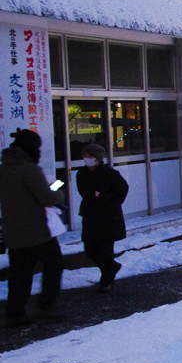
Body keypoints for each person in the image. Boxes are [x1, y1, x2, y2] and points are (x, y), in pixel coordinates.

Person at [0, 129, 66, 325]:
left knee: (20, 274)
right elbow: (47, 197)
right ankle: (46, 306)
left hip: (14, 232)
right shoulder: (29, 170)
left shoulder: (3, 169)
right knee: (54, 265)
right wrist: (58, 194)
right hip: (38, 232)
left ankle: (15, 312)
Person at [76, 144, 129, 293]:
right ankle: (112, 267)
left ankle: (107, 280)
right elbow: (83, 192)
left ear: (98, 158)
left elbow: (122, 189)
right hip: (89, 215)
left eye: (90, 156)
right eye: (85, 156)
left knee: (105, 249)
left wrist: (108, 202)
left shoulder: (109, 173)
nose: (86, 159)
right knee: (90, 249)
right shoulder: (82, 173)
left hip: (108, 217)